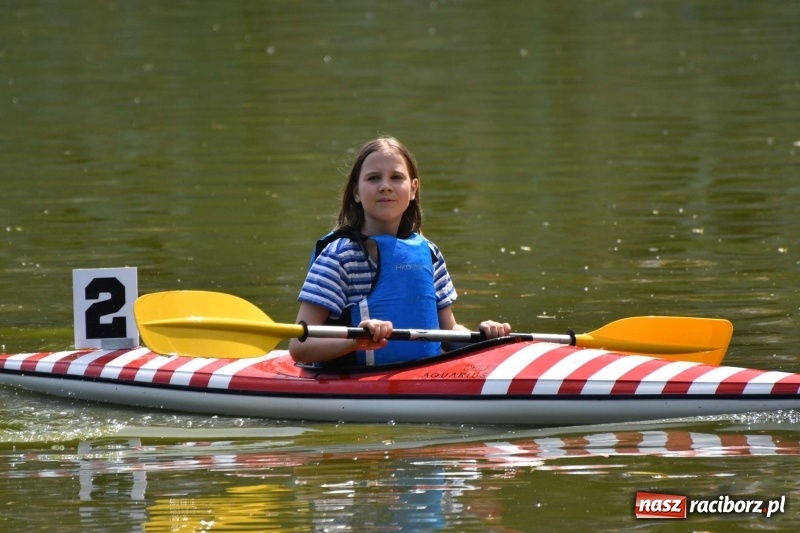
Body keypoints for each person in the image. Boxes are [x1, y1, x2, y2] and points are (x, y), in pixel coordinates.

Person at [289, 136, 511, 365]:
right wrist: (357, 341)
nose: (385, 186)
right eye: (374, 178)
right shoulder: (339, 257)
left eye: (396, 177)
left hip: (422, 377)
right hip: (353, 384)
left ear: (413, 189)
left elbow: (449, 332)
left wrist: (483, 339)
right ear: (356, 192)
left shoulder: (429, 253)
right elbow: (300, 347)